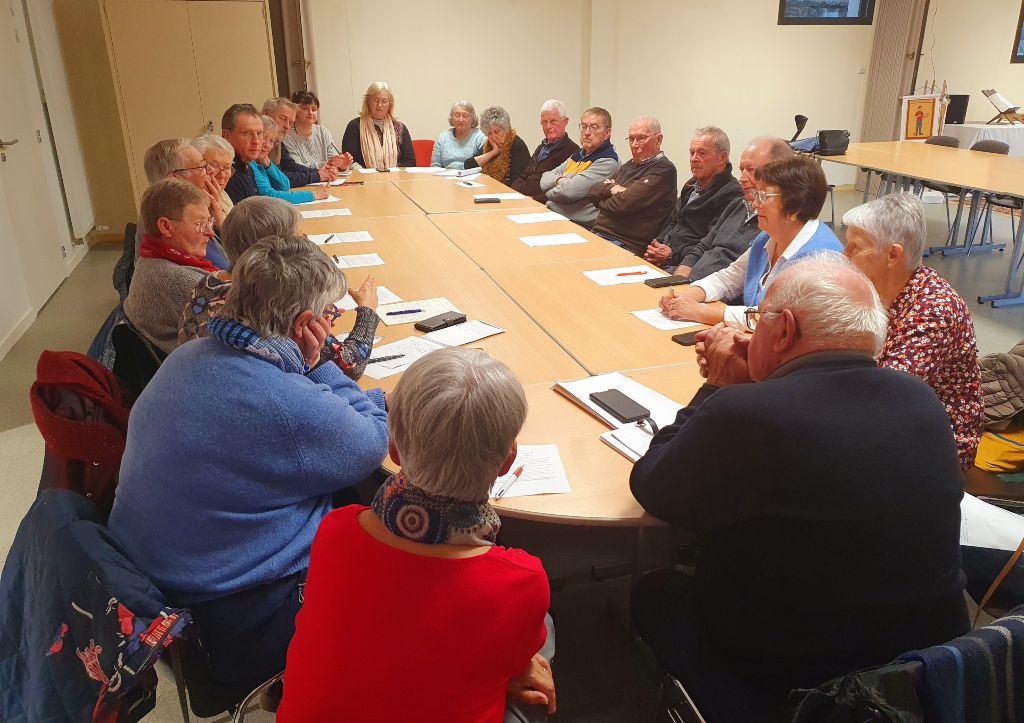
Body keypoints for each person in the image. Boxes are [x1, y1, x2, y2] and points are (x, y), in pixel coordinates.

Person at [630, 253, 969, 722]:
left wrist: (722, 386)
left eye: (757, 318)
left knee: (653, 592)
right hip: (926, 670)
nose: (749, 333)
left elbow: (652, 483)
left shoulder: (746, 414)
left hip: (799, 685)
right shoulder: (921, 400)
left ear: (784, 330)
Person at [109, 235, 389, 690]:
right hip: (229, 615)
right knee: (387, 538)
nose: (334, 321)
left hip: (151, 587)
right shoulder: (280, 401)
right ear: (305, 324)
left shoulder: (187, 356)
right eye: (331, 314)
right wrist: (318, 367)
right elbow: (372, 441)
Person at [278, 347, 554, 723]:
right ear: (508, 461)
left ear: (393, 449)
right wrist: (517, 667)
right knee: (545, 629)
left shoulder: (337, 529)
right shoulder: (521, 580)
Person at [842, 193, 983, 469]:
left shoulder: (934, 309)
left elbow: (885, 395)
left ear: (893, 255)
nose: (844, 255)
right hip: (893, 418)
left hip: (937, 442)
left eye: (854, 247)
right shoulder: (877, 288)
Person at [178, 196, 381, 380]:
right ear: (277, 251)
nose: (305, 242)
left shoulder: (207, 282)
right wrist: (368, 311)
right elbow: (349, 365)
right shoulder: (268, 302)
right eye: (298, 239)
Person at [660, 155, 843, 328]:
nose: (755, 204)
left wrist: (703, 312)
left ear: (796, 206)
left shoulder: (820, 258)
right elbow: (729, 278)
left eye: (764, 196)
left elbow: (774, 319)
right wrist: (687, 296)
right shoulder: (768, 238)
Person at [674, 136, 793, 281]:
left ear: (780, 173)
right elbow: (702, 247)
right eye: (742, 169)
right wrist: (679, 280)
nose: (742, 178)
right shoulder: (736, 205)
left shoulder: (776, 224)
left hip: (717, 295)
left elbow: (738, 281)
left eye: (751, 170)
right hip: (693, 284)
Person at [123, 179, 218, 354]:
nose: (210, 232)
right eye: (199, 224)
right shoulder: (189, 284)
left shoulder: (148, 259)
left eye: (209, 222)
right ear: (166, 227)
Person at [645, 126, 743, 267]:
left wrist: (672, 254)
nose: (694, 159)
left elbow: (712, 246)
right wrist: (656, 245)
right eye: (692, 153)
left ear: (722, 158)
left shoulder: (731, 195)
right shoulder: (691, 184)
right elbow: (673, 222)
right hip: (663, 257)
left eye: (702, 153)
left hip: (687, 267)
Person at [587, 116, 677, 254]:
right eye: (631, 139)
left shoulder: (664, 170)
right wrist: (614, 189)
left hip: (624, 244)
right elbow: (593, 192)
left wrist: (607, 196)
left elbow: (624, 203)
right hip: (598, 233)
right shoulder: (628, 166)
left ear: (658, 140)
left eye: (641, 138)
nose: (634, 144)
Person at [140, 138, 230, 270]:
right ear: (174, 179)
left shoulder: (201, 208)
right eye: (202, 166)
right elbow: (226, 270)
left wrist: (217, 213)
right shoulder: (180, 224)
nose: (210, 171)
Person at [538, 107, 619, 229]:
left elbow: (569, 192)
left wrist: (549, 191)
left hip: (578, 226)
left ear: (607, 133)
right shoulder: (578, 154)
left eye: (594, 127)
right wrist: (560, 181)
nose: (587, 132)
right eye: (584, 126)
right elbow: (544, 177)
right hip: (554, 215)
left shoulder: (608, 161)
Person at [510, 99, 579, 202]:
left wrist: (534, 200)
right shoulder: (541, 147)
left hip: (541, 205)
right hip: (522, 199)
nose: (548, 127)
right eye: (544, 122)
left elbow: (562, 189)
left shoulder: (572, 151)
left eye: (553, 121)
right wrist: (514, 192)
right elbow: (524, 175)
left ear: (565, 121)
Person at [262, 97, 340, 185]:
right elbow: (278, 179)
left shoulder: (278, 141)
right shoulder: (258, 144)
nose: (287, 126)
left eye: (290, 122)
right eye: (283, 119)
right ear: (266, 114)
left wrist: (321, 171)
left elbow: (290, 165)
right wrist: (317, 176)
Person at [251, 115, 327, 205]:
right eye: (264, 137)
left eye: (271, 141)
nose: (267, 145)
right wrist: (313, 195)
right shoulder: (251, 164)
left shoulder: (261, 162)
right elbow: (270, 196)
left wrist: (268, 164)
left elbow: (284, 185)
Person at [341, 81, 417, 170]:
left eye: (384, 101)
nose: (379, 105)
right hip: (364, 180)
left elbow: (410, 161)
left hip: (395, 179)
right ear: (368, 102)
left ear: (390, 104)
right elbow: (348, 161)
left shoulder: (400, 128)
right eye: (375, 100)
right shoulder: (355, 126)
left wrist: (392, 174)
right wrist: (368, 175)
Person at [283, 89, 353, 170]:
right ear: (295, 111)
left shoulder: (323, 131)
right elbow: (296, 167)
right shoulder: (287, 136)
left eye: (314, 109)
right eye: (305, 108)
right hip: (305, 181)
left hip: (328, 179)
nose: (310, 113)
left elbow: (334, 160)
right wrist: (328, 163)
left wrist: (342, 164)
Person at [463, 106, 531, 184]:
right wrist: (492, 152)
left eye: (497, 132)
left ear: (506, 129)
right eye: (489, 133)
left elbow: (517, 181)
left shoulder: (517, 145)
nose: (493, 137)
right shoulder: (489, 145)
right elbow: (468, 165)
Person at [223, 103, 266, 204]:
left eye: (259, 134)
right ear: (227, 135)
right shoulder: (225, 175)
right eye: (246, 133)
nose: (256, 141)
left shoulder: (248, 167)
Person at [431, 100, 485, 169]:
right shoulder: (442, 137)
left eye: (465, 116)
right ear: (451, 118)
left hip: (473, 178)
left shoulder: (480, 136)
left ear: (472, 119)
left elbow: (486, 164)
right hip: (446, 178)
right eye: (457, 115)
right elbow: (435, 165)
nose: (461, 119)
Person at [192, 134, 237, 217]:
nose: (222, 175)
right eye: (214, 166)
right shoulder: (191, 204)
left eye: (227, 167)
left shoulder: (223, 195)